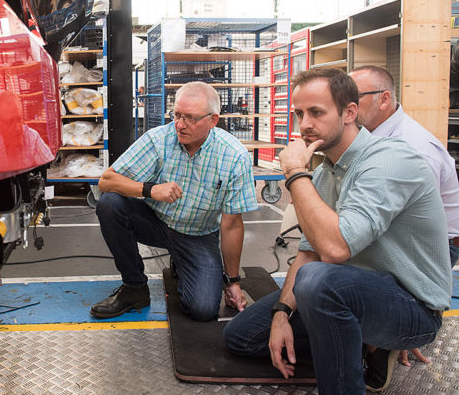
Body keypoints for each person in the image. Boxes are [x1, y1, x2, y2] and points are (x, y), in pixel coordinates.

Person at [223, 68, 451, 395]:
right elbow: (308, 252)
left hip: (410, 307)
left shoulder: (388, 160)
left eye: (316, 112)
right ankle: (362, 344)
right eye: (299, 114)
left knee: (319, 280)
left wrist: (295, 172)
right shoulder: (326, 173)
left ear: (349, 113)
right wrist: (281, 314)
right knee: (242, 336)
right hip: (348, 292)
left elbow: (334, 250)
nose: (305, 124)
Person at [90, 81, 257, 321]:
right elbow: (106, 181)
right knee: (110, 204)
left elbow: (232, 224)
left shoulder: (234, 156)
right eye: (177, 114)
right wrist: (149, 189)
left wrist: (232, 282)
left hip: (197, 234)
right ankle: (134, 287)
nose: (179, 124)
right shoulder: (159, 139)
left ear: (213, 120)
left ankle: (183, 262)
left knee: (202, 310)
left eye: (190, 118)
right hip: (155, 222)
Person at [350, 65, 459, 368]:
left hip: (430, 248)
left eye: (354, 97)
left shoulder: (413, 148)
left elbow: (417, 238)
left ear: (384, 99)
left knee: (334, 272)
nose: (347, 106)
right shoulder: (373, 137)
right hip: (400, 236)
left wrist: (402, 326)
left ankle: (387, 338)